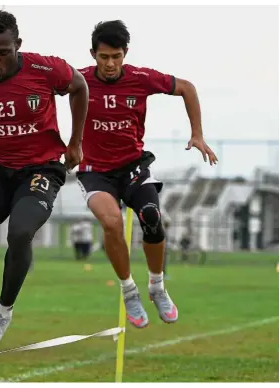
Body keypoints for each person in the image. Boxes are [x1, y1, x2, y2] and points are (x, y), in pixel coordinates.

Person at [0, 10, 89, 351]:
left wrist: (75, 142)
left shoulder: (45, 69)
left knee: (21, 232)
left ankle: (2, 311)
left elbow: (79, 86)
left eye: (2, 52)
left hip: (40, 170)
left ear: (18, 46)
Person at [76, 20, 218, 329]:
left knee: (152, 216)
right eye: (104, 57)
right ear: (93, 55)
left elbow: (187, 88)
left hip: (133, 166)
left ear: (125, 53)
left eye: (116, 56)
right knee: (111, 221)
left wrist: (198, 134)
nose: (110, 64)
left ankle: (157, 287)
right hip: (95, 171)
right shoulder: (79, 80)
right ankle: (129, 291)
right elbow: (41, 91)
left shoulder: (141, 78)